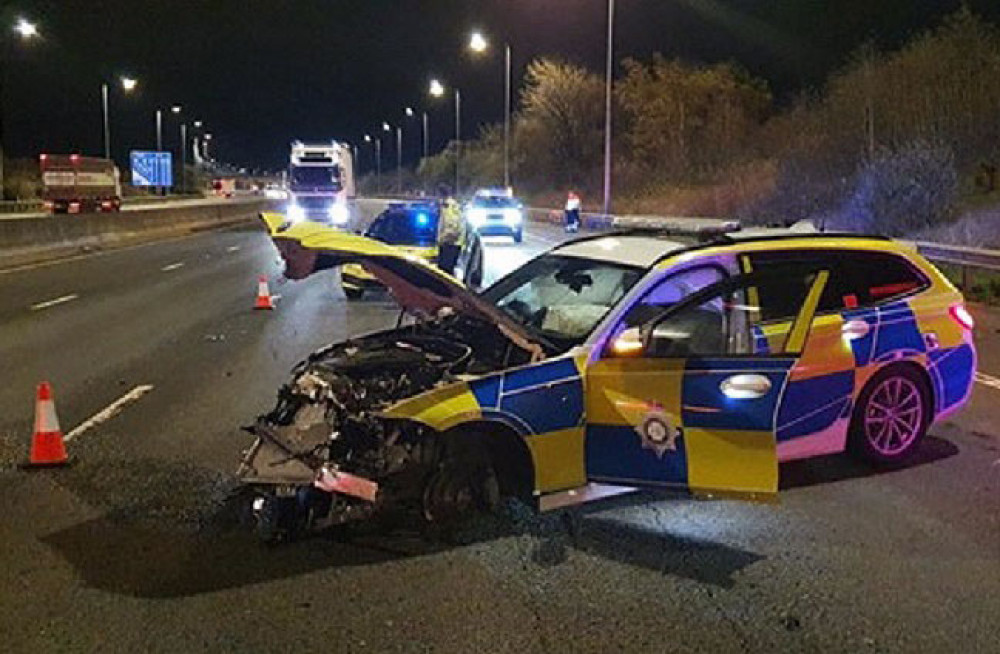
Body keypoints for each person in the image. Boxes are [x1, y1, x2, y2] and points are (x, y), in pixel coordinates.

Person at [436, 184, 465, 276]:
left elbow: (452, 226)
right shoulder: (448, 206)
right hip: (450, 243)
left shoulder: (449, 206)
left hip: (450, 244)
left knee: (445, 274)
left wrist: (444, 239)